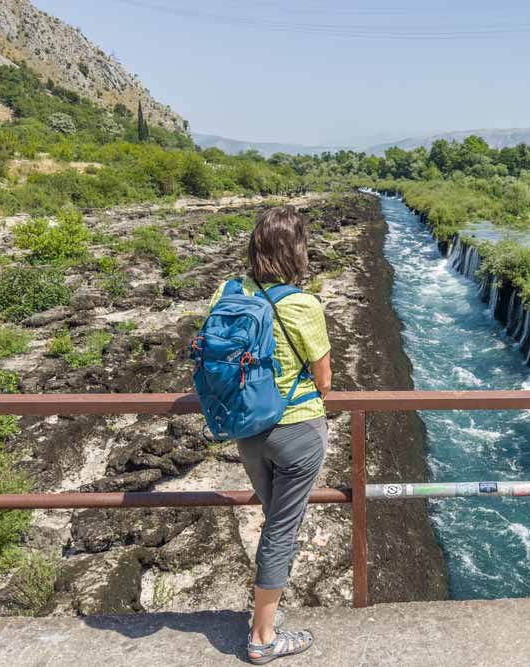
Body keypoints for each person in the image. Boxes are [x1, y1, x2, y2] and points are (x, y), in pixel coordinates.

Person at [207, 206, 332, 664]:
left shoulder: (229, 291)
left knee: (274, 518)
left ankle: (267, 610)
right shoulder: (303, 304)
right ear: (297, 250)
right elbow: (324, 381)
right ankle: (262, 636)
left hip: (247, 428)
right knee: (282, 528)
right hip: (297, 430)